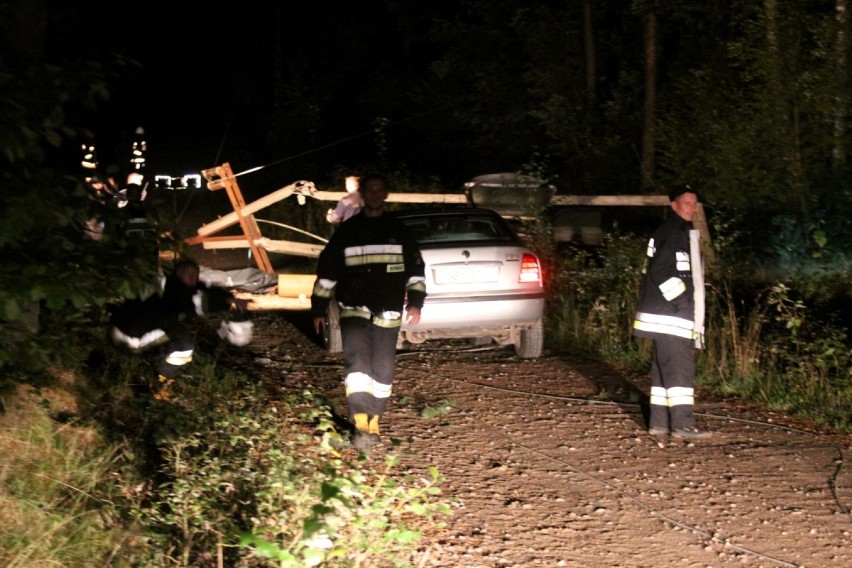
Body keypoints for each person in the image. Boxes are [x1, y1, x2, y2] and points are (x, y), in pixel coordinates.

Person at [311, 173, 427, 451]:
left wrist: (415, 302)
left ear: (385, 195)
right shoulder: (347, 231)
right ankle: (360, 422)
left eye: (379, 190)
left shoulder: (399, 231)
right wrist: (317, 309)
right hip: (353, 308)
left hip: (388, 310)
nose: (375, 194)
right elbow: (327, 273)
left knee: (383, 369)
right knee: (357, 365)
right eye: (370, 190)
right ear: (362, 195)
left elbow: (415, 271)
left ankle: (376, 419)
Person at [632, 184, 711, 440]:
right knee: (679, 370)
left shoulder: (674, 231)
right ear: (674, 205)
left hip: (664, 315)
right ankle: (682, 424)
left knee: (663, 370)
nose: (691, 208)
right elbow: (661, 271)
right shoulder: (674, 232)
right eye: (686, 203)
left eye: (694, 203)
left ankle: (659, 422)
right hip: (671, 316)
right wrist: (683, 303)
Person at [109, 258, 250, 400]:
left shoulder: (168, 282)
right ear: (179, 273)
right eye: (190, 276)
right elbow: (198, 301)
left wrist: (230, 299)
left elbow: (203, 289)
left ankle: (150, 363)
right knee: (184, 346)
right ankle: (162, 381)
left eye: (196, 276)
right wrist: (225, 302)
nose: (194, 280)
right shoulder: (174, 291)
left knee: (176, 331)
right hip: (132, 337)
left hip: (122, 327)